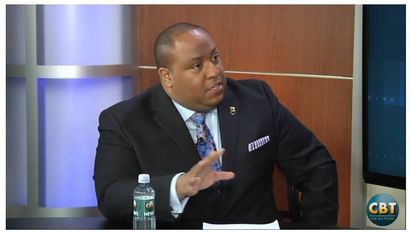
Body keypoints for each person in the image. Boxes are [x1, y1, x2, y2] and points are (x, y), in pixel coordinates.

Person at [93, 22, 338, 229]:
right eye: (197, 65)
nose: (214, 72)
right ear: (167, 77)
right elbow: (112, 197)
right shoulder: (125, 120)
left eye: (215, 57)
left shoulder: (257, 101)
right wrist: (179, 187)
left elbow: (317, 167)